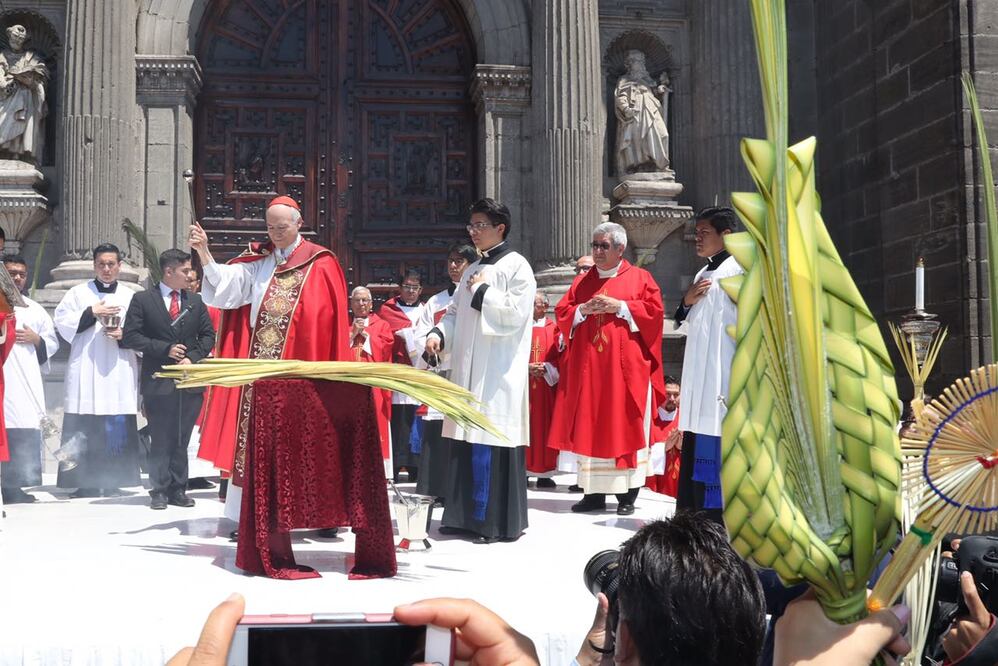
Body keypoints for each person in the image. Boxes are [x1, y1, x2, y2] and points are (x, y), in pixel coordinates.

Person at [188, 195, 350, 525]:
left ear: (299, 223)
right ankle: (252, 515)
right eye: (270, 227)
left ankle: (314, 514)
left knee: (304, 440)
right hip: (261, 371)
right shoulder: (260, 262)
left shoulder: (320, 262)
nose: (275, 233)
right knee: (258, 443)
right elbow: (228, 289)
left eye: (282, 227)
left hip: (302, 371)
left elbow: (324, 322)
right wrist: (204, 251)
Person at [425, 198, 535, 544]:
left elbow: (516, 315)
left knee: (490, 439)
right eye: (470, 226)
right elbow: (455, 313)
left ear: (500, 228)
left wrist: (484, 291)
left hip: (498, 373)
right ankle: (461, 516)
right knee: (464, 438)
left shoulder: (518, 267)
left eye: (480, 225)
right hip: (468, 370)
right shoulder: (472, 269)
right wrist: (439, 334)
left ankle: (491, 522)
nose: (473, 232)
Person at [549, 223, 665, 516]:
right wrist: (582, 311)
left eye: (604, 246)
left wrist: (621, 306)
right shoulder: (583, 281)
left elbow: (654, 314)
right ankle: (593, 494)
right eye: (595, 245)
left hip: (626, 372)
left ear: (620, 249)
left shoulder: (641, 278)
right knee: (591, 425)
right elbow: (563, 313)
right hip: (590, 372)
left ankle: (627, 495)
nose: (598, 252)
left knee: (624, 424)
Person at [121, 249, 216, 510]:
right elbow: (130, 336)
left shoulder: (195, 302)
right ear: (169, 271)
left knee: (181, 438)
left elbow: (208, 336)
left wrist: (192, 358)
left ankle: (179, 488)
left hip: (188, 381)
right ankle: (159, 490)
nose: (189, 275)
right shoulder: (143, 300)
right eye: (185, 270)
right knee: (161, 437)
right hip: (158, 381)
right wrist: (164, 349)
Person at [54, 243, 141, 498]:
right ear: (94, 265)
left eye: (111, 264)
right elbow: (62, 323)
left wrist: (124, 335)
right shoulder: (77, 293)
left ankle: (115, 480)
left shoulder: (131, 296)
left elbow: (144, 331)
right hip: (87, 369)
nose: (106, 269)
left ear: (119, 266)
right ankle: (84, 482)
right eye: (101, 264)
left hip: (118, 369)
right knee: (84, 421)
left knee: (116, 421)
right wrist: (92, 312)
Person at [675, 206, 743, 523]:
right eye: (697, 233)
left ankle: (714, 518)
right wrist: (686, 302)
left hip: (724, 375)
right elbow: (689, 320)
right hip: (700, 377)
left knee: (716, 439)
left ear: (726, 235)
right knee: (697, 435)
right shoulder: (704, 273)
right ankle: (693, 516)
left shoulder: (741, 270)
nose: (697, 239)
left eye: (704, 233)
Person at [414, 242, 478, 502]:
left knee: (463, 434)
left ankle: (461, 491)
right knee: (438, 435)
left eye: (459, 261)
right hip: (441, 372)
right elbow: (421, 334)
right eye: (451, 261)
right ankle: (437, 489)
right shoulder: (436, 301)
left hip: (467, 372)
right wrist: (432, 346)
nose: (453, 266)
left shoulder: (478, 296)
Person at [0, 255, 58, 504]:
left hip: (26, 380)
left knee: (22, 427)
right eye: (12, 273)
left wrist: (37, 340)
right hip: (5, 375)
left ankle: (16, 486)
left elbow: (52, 342)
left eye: (21, 274)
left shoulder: (35, 309)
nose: (17, 278)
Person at [380, 269, 425, 483]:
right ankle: (397, 465)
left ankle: (416, 465)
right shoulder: (388, 310)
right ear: (400, 288)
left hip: (418, 371)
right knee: (399, 419)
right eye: (407, 286)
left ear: (421, 290)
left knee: (416, 418)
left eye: (414, 287)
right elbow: (382, 336)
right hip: (397, 370)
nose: (410, 291)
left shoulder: (426, 311)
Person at [348, 285, 395, 475]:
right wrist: (352, 335)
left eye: (364, 300)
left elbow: (386, 349)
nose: (361, 304)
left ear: (371, 303)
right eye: (357, 300)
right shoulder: (343, 324)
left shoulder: (381, 325)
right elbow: (335, 351)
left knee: (376, 423)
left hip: (373, 385)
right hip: (348, 386)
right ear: (351, 303)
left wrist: (366, 338)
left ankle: (378, 471)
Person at [526, 291, 561, 489]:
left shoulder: (554, 329)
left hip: (546, 391)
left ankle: (546, 473)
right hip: (524, 390)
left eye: (535, 303)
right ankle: (523, 470)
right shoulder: (520, 329)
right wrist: (527, 368)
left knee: (545, 428)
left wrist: (546, 368)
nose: (530, 307)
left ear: (545, 307)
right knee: (525, 427)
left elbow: (560, 358)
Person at [645, 375, 681, 498]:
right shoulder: (648, 418)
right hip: (653, 479)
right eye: (668, 394)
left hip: (677, 481)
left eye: (676, 395)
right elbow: (642, 451)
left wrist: (683, 447)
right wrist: (664, 447)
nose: (672, 399)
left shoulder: (685, 419)